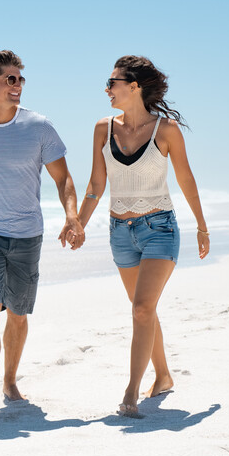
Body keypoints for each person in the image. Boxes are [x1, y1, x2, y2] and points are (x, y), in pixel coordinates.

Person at [0, 49, 85, 416]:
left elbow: (63, 177)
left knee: (19, 313)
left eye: (21, 79)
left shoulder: (39, 126)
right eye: (11, 79)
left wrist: (72, 216)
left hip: (27, 233)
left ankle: (9, 380)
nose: (18, 85)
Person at [75, 55, 210, 417]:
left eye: (113, 82)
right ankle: (163, 376)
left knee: (141, 308)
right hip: (120, 232)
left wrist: (201, 225)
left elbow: (186, 179)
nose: (107, 89)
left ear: (134, 86)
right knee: (144, 312)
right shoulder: (102, 128)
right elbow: (96, 183)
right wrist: (79, 223)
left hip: (160, 230)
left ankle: (131, 392)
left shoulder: (165, 131)